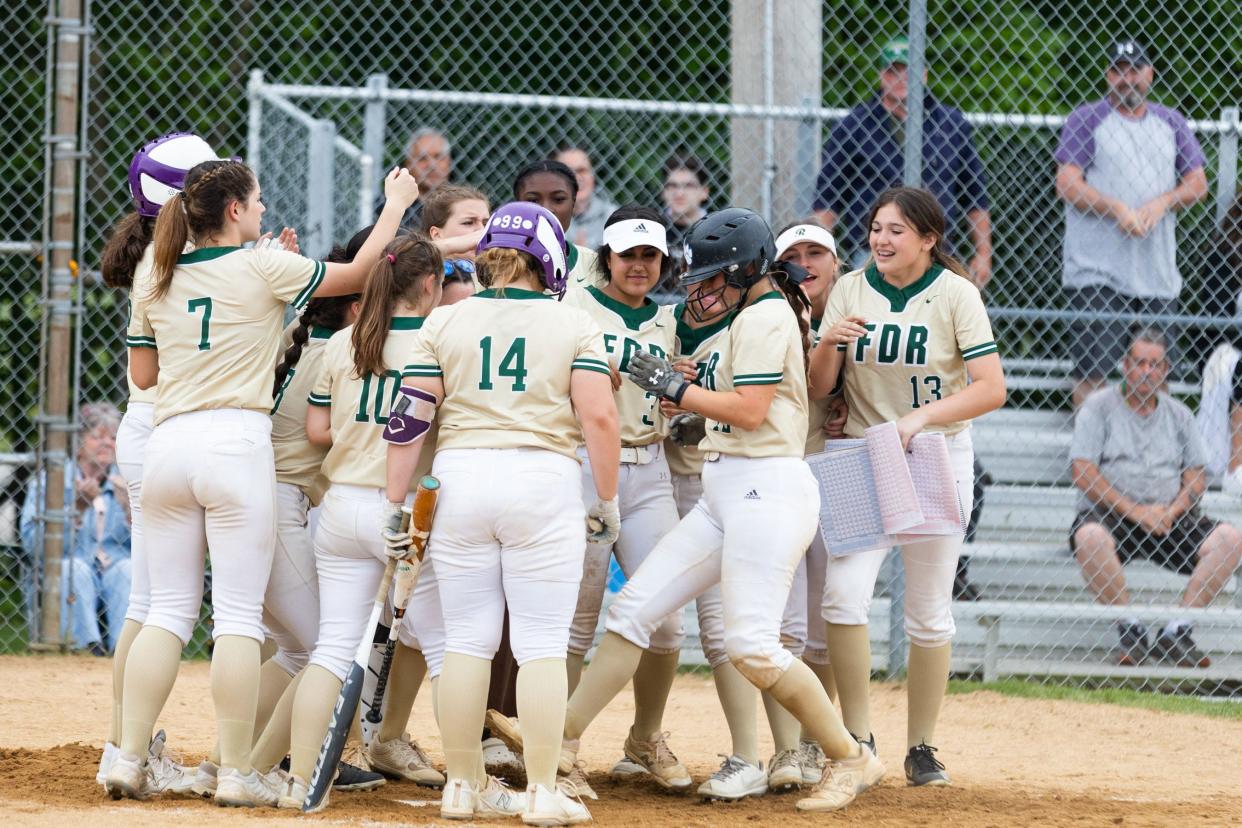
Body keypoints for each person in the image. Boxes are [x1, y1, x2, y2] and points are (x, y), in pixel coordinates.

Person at [497, 207, 886, 814]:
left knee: (752, 646)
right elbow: (728, 400)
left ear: (749, 269)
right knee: (633, 613)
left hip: (766, 490)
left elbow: (752, 410)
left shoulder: (762, 315)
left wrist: (674, 389)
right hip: (729, 487)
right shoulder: (749, 313)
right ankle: (561, 734)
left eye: (714, 278)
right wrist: (686, 391)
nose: (702, 290)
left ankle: (849, 756)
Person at [106, 158, 419, 806]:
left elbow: (143, 376)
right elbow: (360, 274)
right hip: (234, 443)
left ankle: (126, 757)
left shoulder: (153, 272)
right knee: (239, 619)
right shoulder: (259, 265)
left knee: (166, 609)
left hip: (167, 442)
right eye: (258, 202)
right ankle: (237, 772)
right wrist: (396, 204)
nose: (264, 210)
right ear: (233, 212)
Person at [385, 201, 620, 824]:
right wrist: (607, 496)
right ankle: (543, 790)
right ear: (548, 259)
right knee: (542, 643)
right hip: (540, 480)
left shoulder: (446, 321)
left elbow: (409, 419)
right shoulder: (573, 323)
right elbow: (598, 416)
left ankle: (461, 784)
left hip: (461, 479)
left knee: (466, 641)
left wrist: (394, 503)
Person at [808, 187, 1006, 788]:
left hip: (936, 455)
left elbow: (991, 387)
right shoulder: (850, 289)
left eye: (897, 230)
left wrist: (923, 419)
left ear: (928, 239)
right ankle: (858, 739)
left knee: (927, 613)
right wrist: (828, 341)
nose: (882, 239)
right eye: (875, 228)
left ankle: (922, 746)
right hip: (867, 453)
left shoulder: (955, 293)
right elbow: (820, 388)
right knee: (843, 596)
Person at [273, 235, 448, 810]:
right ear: (428, 286)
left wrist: (361, 430)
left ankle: (300, 780)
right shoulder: (435, 338)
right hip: (399, 510)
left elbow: (319, 433)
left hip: (340, 506)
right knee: (447, 649)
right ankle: (469, 780)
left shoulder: (346, 341)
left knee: (330, 649)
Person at [92, 130, 220, 794]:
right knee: (166, 604)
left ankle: (124, 747)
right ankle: (131, 751)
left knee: (148, 602)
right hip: (171, 434)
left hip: (150, 436)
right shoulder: (186, 262)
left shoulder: (162, 257)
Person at [559, 206, 690, 793]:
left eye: (649, 256)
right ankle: (560, 750)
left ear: (663, 262)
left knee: (664, 616)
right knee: (577, 620)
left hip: (650, 468)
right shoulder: (575, 305)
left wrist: (680, 398)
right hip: (585, 465)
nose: (638, 265)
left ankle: (644, 739)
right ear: (606, 257)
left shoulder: (668, 321)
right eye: (627, 254)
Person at [1071, 328, 1242, 669]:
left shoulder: (1179, 414)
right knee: (1088, 538)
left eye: (1155, 364)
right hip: (1112, 514)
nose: (1146, 372)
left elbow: (1196, 475)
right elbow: (1083, 472)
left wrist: (1172, 509)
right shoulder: (1098, 407)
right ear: (1124, 365)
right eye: (1139, 363)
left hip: (1169, 517)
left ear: (1165, 370)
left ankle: (1176, 632)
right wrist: (1136, 511)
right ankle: (1130, 628)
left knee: (1230, 539)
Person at [1055, 39, 1208, 408]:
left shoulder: (1171, 122)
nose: (1127, 79)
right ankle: (1090, 458)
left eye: (1135, 70)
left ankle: (1154, 461)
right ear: (1108, 75)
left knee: (1157, 375)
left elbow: (1198, 183)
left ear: (1149, 74)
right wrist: (1115, 208)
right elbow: (1067, 183)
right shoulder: (1086, 119)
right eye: (1119, 70)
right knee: (1093, 377)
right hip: (1097, 274)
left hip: (1156, 275)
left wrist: (1162, 202)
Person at [812, 36, 992, 289]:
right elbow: (828, 197)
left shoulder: (951, 123)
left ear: (925, 75)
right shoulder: (854, 125)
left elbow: (975, 195)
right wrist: (823, 253)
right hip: (874, 252)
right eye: (893, 71)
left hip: (934, 249)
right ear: (881, 76)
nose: (901, 78)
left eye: (909, 70)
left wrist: (984, 254)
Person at [19, 404, 129, 654]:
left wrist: (131, 511)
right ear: (79, 442)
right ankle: (85, 650)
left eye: (113, 438)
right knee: (74, 568)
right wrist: (77, 509)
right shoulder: (50, 482)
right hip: (73, 565)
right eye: (97, 436)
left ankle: (125, 652)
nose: (107, 443)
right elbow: (31, 543)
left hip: (114, 566)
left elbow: (149, 548)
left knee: (128, 569)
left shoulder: (127, 483)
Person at [513, 158, 599, 292]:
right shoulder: (495, 262)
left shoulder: (593, 264)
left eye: (558, 199)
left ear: (573, 203)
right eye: (533, 200)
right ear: (517, 205)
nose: (546, 209)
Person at [374, 127, 453, 230]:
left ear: (449, 162)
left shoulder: (459, 203)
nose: (432, 165)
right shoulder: (389, 204)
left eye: (438, 156)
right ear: (408, 164)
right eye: (422, 158)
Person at [660, 151, 710, 294]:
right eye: (672, 186)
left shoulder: (716, 229)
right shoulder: (654, 228)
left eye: (688, 186)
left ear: (704, 192)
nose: (679, 193)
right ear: (663, 192)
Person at [555, 143, 618, 249]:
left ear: (592, 177)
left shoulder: (614, 217)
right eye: (568, 172)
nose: (576, 178)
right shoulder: (546, 219)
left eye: (582, 170)